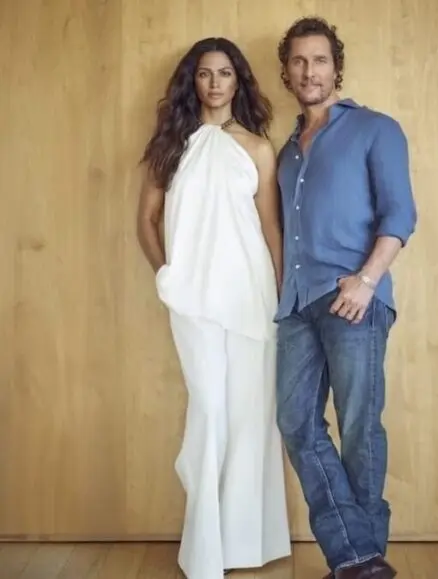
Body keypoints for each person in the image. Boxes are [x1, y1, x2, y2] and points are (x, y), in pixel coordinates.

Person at [135, 37, 293, 579]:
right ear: (193, 81)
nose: (215, 83)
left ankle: (246, 543)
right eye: (205, 73)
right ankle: (203, 549)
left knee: (250, 415)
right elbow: (146, 220)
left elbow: (271, 228)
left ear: (238, 81)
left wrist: (282, 295)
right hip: (193, 297)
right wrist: (166, 274)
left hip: (252, 296)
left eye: (225, 73)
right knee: (209, 408)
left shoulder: (258, 148)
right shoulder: (171, 145)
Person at [272, 16, 417, 579]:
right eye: (299, 61)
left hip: (353, 298)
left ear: (337, 68)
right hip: (295, 304)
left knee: (359, 426)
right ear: (286, 71)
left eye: (320, 60)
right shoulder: (285, 152)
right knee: (296, 424)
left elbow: (400, 214)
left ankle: (358, 560)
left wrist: (367, 280)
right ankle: (360, 556)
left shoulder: (376, 129)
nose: (310, 71)